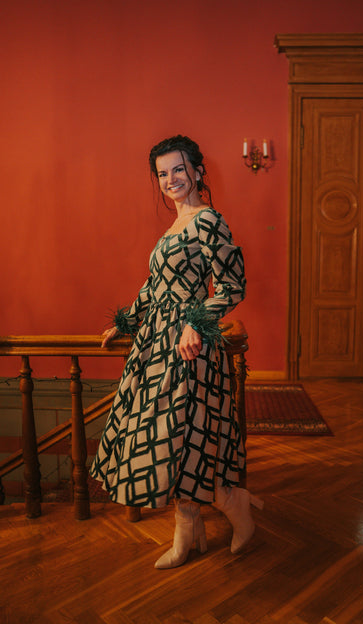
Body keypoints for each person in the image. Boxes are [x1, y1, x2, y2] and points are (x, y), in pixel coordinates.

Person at [90, 135, 263, 569]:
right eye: (163, 173)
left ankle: (234, 507)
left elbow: (232, 286)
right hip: (157, 345)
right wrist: (125, 321)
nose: (171, 179)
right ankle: (188, 530)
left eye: (178, 170)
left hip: (190, 348)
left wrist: (194, 323)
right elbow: (155, 288)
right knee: (175, 440)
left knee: (183, 436)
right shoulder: (172, 227)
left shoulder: (209, 221)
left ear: (198, 171)